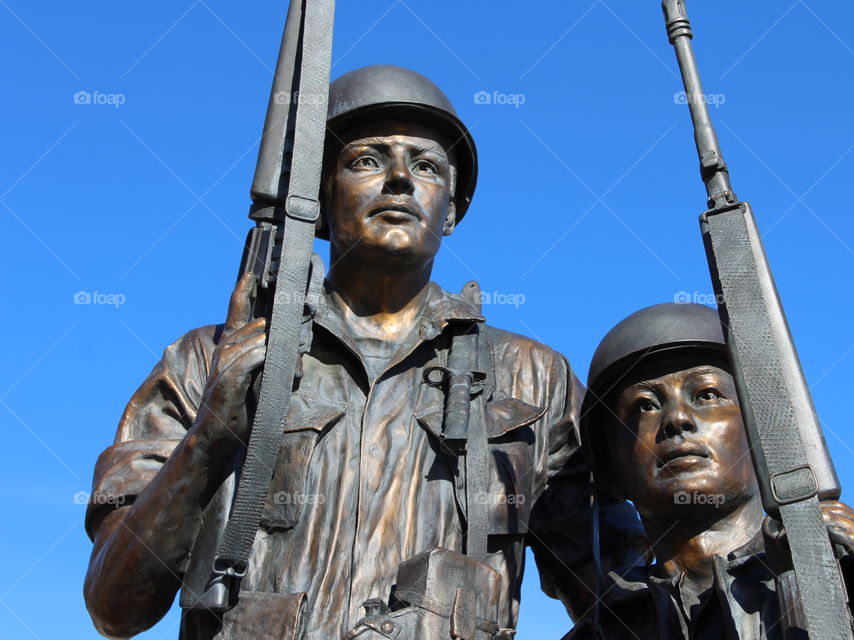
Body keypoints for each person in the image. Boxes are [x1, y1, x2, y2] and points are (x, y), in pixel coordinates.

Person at [83, 65, 640, 640]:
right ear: (319, 198)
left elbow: (618, 596)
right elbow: (113, 606)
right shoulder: (208, 359)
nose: (399, 179)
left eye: (426, 165)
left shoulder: (534, 377)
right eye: (367, 160)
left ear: (450, 209)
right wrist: (207, 442)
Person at [569, 302, 854, 639]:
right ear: (608, 468)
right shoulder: (607, 629)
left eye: (707, 395)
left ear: (764, 431)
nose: (678, 419)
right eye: (644, 406)